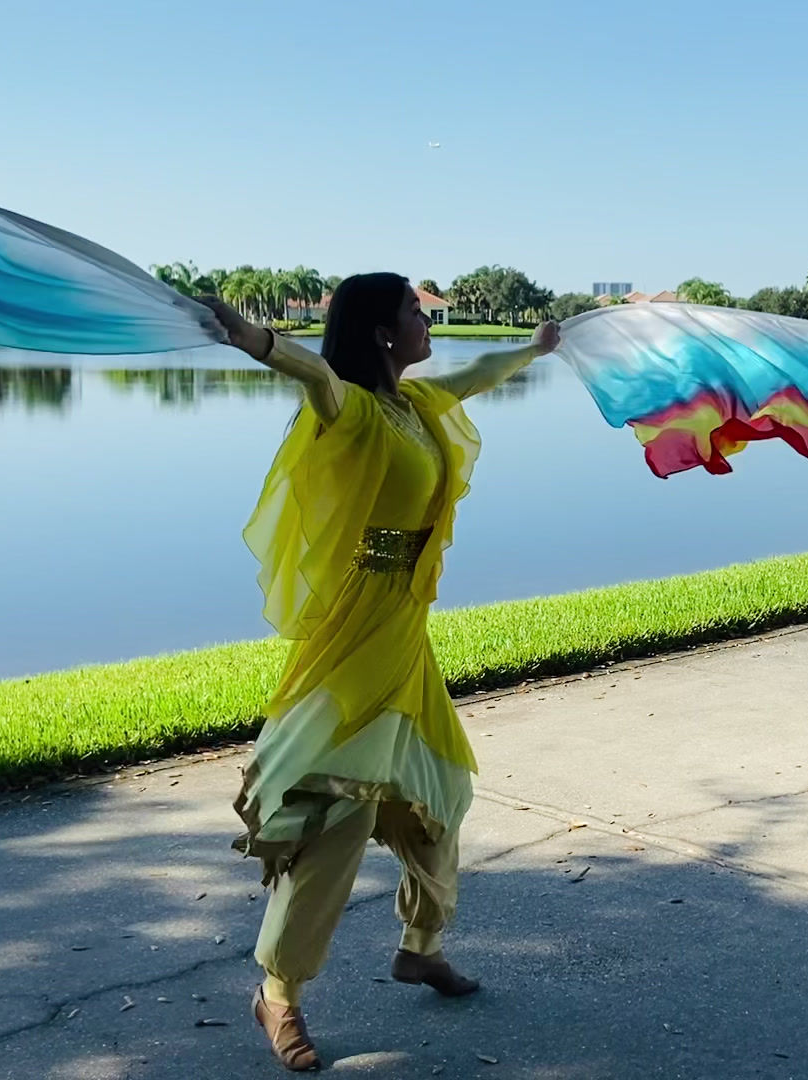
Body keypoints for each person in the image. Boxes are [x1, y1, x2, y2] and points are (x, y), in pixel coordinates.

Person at [199, 274, 560, 1071]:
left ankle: (420, 948)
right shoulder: (356, 410)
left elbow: (473, 376)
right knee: (341, 810)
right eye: (412, 310)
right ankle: (278, 993)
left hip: (405, 630)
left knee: (442, 793)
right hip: (361, 627)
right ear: (379, 330)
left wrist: (532, 350)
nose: (425, 320)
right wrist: (252, 338)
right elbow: (312, 374)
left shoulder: (416, 405)